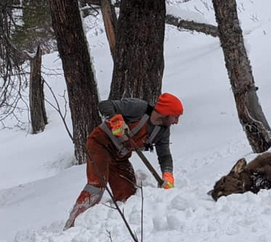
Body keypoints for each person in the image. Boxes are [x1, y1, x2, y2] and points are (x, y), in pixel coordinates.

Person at [65, 92, 183, 229]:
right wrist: (116, 120)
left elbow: (165, 156)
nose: (176, 122)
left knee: (128, 194)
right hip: (100, 144)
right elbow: (105, 105)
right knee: (97, 185)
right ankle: (73, 224)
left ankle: (114, 225)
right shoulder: (138, 108)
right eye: (176, 116)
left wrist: (167, 175)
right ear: (166, 112)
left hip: (120, 157)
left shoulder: (162, 131)